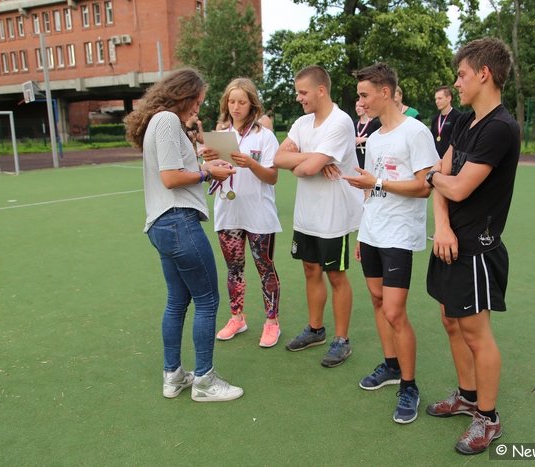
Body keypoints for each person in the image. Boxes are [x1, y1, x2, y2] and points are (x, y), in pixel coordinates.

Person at [424, 38, 520, 454]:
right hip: (449, 242)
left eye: (462, 74)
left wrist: (434, 180)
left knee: (476, 333)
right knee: (450, 320)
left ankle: (489, 418)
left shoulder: (501, 128)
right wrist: (441, 226)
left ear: (484, 74)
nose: (456, 82)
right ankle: (467, 395)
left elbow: (455, 185)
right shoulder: (463, 122)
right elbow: (441, 178)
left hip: (477, 249)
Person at [124, 68, 243, 402]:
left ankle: (174, 376)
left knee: (178, 300)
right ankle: (204, 380)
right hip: (177, 222)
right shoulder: (165, 120)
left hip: (164, 224)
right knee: (207, 300)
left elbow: (176, 171)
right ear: (183, 95)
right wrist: (207, 171)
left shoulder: (162, 121)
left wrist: (201, 166)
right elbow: (171, 178)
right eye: (197, 102)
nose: (197, 109)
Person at [342, 63, 438, 424]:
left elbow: (424, 186)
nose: (361, 102)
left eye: (365, 95)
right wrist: (362, 231)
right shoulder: (377, 136)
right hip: (373, 232)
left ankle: (409, 386)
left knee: (395, 311)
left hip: (399, 234)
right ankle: (392, 366)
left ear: (386, 92)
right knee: (379, 301)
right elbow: (373, 189)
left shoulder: (416, 132)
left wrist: (376, 183)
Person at [274, 65, 363, 368]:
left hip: (333, 215)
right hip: (307, 214)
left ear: (321, 90)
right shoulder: (301, 123)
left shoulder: (340, 122)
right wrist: (310, 158)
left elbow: (305, 169)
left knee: (335, 275)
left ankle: (342, 340)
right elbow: (278, 158)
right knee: (311, 269)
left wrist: (303, 162)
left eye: (303, 92)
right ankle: (316, 329)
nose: (299, 98)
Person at [201, 78, 282, 348]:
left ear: (252, 104)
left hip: (259, 213)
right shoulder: (220, 133)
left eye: (241, 102)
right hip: (228, 211)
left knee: (264, 267)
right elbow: (211, 169)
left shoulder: (264, 135)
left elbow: (272, 177)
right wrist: (208, 159)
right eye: (231, 101)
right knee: (233, 268)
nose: (235, 107)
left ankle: (272, 322)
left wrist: (250, 163)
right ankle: (237, 317)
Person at [430, 85, 461, 158]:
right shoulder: (435, 118)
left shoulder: (458, 117)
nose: (437, 101)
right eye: (436, 99)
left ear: (449, 98)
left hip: (451, 161)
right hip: (436, 161)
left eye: (440, 98)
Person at [353, 101, 381, 169]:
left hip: (370, 156)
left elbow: (381, 139)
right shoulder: (355, 123)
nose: (357, 108)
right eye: (356, 106)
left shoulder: (376, 123)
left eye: (360, 106)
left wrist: (365, 139)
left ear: (366, 107)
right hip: (357, 156)